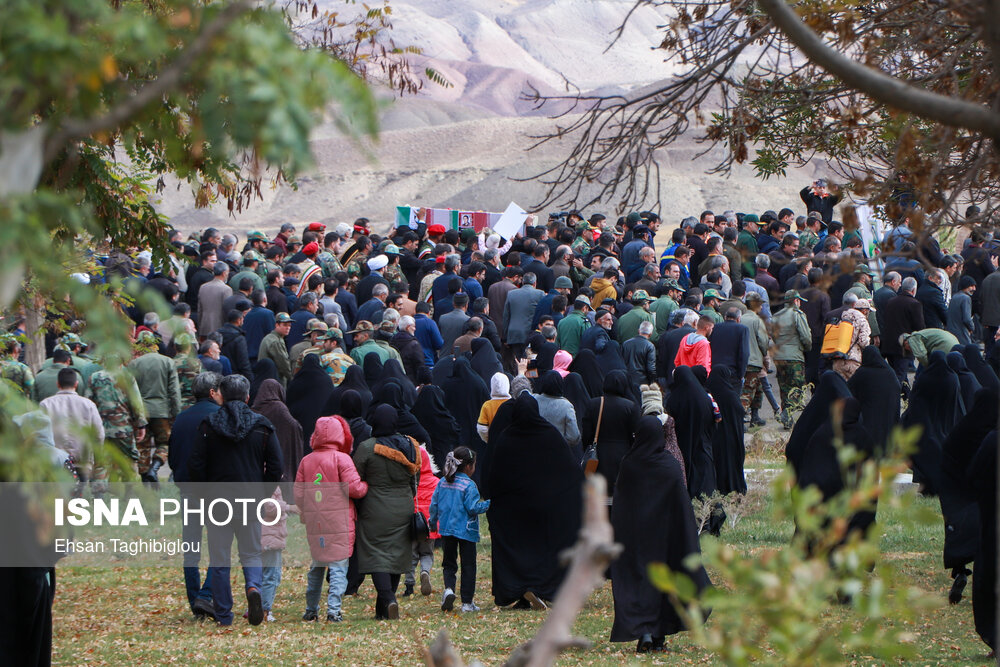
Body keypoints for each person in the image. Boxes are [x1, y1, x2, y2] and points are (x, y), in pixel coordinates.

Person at [187, 374, 283, 627]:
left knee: (219, 558)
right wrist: (264, 492)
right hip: (250, 497)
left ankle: (223, 613)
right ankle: (253, 588)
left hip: (217, 500)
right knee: (251, 553)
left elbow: (195, 465)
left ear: (220, 394)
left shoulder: (208, 425)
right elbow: (276, 465)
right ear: (248, 396)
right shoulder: (262, 426)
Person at [610, 415, 711, 653]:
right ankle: (658, 637)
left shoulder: (629, 464)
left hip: (635, 538)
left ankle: (643, 632)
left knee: (638, 583)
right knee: (663, 587)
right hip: (665, 540)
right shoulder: (669, 465)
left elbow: (620, 503)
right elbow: (682, 507)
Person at [486, 392, 583, 609]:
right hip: (546, 508)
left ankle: (520, 590)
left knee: (518, 548)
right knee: (544, 548)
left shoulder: (506, 438)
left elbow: (495, 478)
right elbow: (570, 472)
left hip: (514, 511)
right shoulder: (549, 435)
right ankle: (543, 587)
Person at [296, 415, 368, 622]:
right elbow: (354, 488)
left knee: (317, 565)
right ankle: (333, 610)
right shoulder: (342, 459)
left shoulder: (306, 461)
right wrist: (366, 486)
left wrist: (305, 510)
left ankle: (311, 609)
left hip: (315, 522)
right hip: (339, 521)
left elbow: (299, 493)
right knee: (338, 566)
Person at [353, 405, 421, 620]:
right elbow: (415, 481)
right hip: (403, 507)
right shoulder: (411, 445)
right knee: (395, 555)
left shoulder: (367, 447)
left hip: (375, 508)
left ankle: (389, 598)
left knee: (377, 555)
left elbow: (355, 476)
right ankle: (382, 611)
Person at [168, 371, 222, 618]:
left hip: (188, 488)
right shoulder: (219, 416)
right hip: (213, 489)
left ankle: (195, 599)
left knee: (191, 547)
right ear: (212, 392)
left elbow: (172, 456)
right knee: (219, 544)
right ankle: (206, 594)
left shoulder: (181, 419)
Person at [429, 446, 491, 613]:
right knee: (468, 565)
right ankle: (467, 602)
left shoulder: (442, 482)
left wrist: (433, 522)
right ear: (469, 466)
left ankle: (449, 589)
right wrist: (488, 504)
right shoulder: (469, 485)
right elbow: (472, 508)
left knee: (449, 564)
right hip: (466, 532)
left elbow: (434, 504)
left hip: (447, 530)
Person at [128, 332, 181, 484]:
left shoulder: (134, 364)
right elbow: (174, 391)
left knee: (142, 446)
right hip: (162, 411)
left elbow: (130, 392)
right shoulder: (167, 362)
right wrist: (176, 414)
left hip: (142, 413)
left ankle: (146, 479)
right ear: (155, 345)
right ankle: (155, 467)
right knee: (164, 443)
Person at [39, 367, 105, 487]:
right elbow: (99, 434)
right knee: (79, 494)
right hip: (82, 459)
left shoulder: (46, 404)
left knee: (56, 496)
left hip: (56, 460)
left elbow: (40, 434)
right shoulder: (88, 405)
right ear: (76, 384)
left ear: (58, 384)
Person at [770, 290, 811, 428]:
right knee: (798, 387)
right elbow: (805, 336)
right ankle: (787, 414)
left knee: (784, 387)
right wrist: (807, 348)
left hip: (779, 357)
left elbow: (773, 336)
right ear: (796, 301)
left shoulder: (775, 316)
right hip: (794, 356)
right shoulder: (797, 314)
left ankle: (787, 418)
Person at [404, 443, 440, 598]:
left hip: (412, 526)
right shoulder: (436, 482)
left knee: (411, 556)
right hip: (429, 527)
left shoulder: (409, 482)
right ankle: (425, 572)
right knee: (426, 553)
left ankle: (409, 586)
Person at [257, 312, 294, 386]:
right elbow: (284, 365)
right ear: (277, 325)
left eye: (289, 325)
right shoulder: (276, 341)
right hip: (275, 382)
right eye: (285, 325)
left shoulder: (270, 338)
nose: (288, 328)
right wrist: (293, 379)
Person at [622, 320, 657, 387]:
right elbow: (651, 368)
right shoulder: (650, 346)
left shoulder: (626, 343)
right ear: (650, 334)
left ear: (639, 331)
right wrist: (652, 381)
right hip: (642, 381)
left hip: (626, 378)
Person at [947, 276, 977, 345]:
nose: (974, 289)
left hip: (951, 333)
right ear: (965, 286)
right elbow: (967, 319)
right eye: (971, 286)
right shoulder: (966, 298)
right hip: (962, 333)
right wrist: (972, 327)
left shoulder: (954, 297)